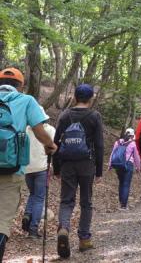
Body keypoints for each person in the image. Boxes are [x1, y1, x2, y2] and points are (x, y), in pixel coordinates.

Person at [0, 67, 57, 262]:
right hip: (11, 168)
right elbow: (40, 131)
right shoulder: (26, 101)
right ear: (20, 85)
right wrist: (50, 146)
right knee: (2, 221)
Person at [53, 84, 104, 258]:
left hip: (67, 163)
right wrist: (99, 171)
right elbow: (99, 145)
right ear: (90, 99)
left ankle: (64, 228)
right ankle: (84, 239)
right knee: (86, 202)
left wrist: (56, 167)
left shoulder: (64, 115)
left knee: (66, 200)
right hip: (87, 164)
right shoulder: (94, 116)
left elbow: (56, 142)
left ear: (75, 97)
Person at [22, 107, 56, 238]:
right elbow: (52, 148)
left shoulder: (26, 130)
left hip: (27, 168)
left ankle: (27, 214)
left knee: (33, 194)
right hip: (42, 168)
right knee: (39, 198)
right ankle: (33, 229)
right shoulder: (50, 130)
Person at [109, 128, 141, 210]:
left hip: (118, 165)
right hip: (128, 165)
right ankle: (123, 205)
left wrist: (110, 165)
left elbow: (113, 154)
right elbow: (136, 157)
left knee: (121, 183)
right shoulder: (133, 144)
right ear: (132, 135)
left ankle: (121, 202)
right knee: (126, 184)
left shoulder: (118, 142)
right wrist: (138, 167)